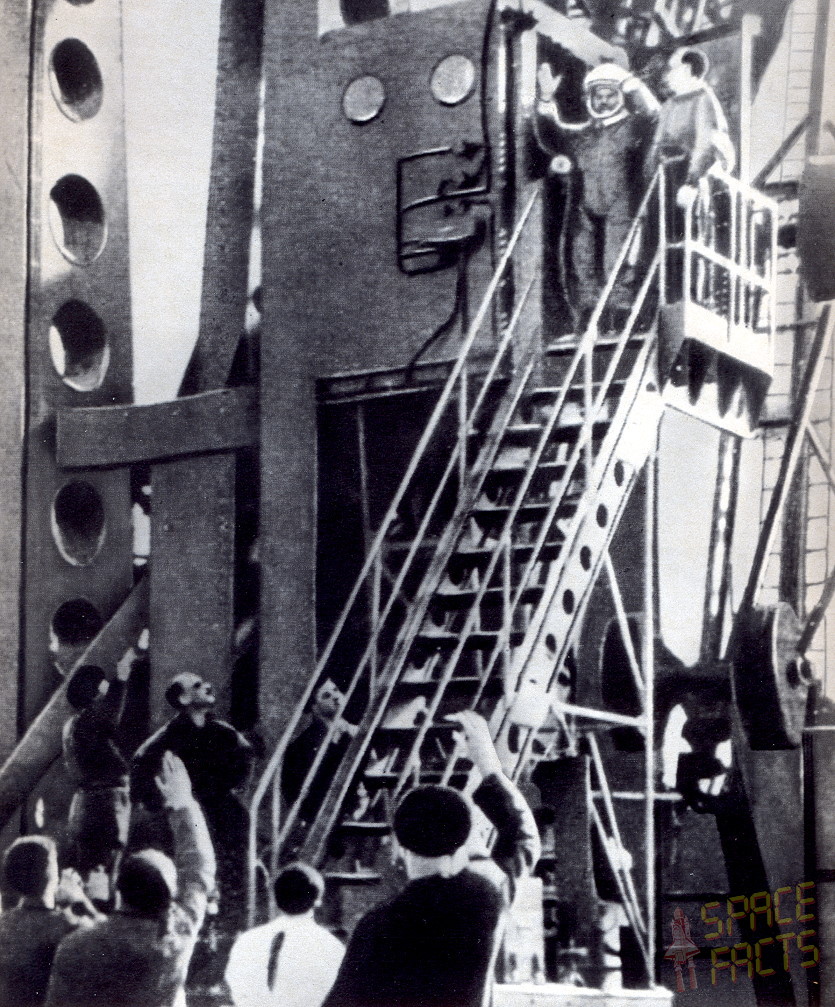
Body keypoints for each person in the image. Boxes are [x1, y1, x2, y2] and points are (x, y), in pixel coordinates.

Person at [321, 710, 540, 1007]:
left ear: (400, 847)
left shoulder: (376, 925)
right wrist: (488, 764)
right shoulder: (485, 900)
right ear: (462, 843)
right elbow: (524, 838)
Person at [46, 752, 216, 1007]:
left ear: (119, 891)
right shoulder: (175, 937)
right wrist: (184, 804)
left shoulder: (74, 946)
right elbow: (198, 870)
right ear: (167, 898)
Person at [537, 60, 659, 330]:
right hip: (586, 205)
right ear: (589, 99)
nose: (603, 102)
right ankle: (589, 315)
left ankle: (622, 314)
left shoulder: (633, 126)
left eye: (610, 95)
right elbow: (553, 135)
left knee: (620, 258)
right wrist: (545, 99)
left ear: (621, 97)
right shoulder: (584, 134)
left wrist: (632, 85)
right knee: (582, 259)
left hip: (623, 204)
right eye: (598, 97)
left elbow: (653, 115)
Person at [131, 672, 253, 930]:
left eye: (205, 682)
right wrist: (162, 803)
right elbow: (140, 766)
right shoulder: (166, 739)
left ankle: (229, 921)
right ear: (183, 699)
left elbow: (246, 755)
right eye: (197, 685)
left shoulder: (222, 732)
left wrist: (232, 786)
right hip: (189, 818)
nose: (207, 686)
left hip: (223, 815)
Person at [62, 648, 135, 892]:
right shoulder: (88, 721)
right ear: (94, 692)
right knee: (103, 870)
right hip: (104, 804)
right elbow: (111, 713)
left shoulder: (74, 725)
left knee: (93, 869)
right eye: (103, 685)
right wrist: (122, 677)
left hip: (89, 803)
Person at [225, 863, 344, 1007]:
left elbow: (235, 987)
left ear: (275, 898)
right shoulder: (332, 948)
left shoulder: (247, 941)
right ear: (318, 901)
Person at [0, 838, 101, 1007]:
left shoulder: (4, 922)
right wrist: (82, 899)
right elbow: (106, 940)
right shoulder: (70, 927)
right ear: (53, 874)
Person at [645, 47, 735, 208]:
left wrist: (692, 182)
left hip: (691, 184)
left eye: (671, 69)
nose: (666, 76)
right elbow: (656, 144)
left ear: (686, 70)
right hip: (665, 179)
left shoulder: (703, 100)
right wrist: (650, 174)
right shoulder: (669, 105)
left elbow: (706, 144)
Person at [281, 679, 357, 825]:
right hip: (326, 815)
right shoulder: (302, 745)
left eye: (335, 690)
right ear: (315, 708)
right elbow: (293, 792)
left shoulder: (356, 731)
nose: (335, 696)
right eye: (326, 695)